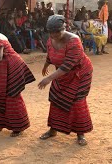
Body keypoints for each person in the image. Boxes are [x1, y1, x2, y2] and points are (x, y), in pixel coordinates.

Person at [38, 15, 93, 146]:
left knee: (76, 101)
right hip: (61, 74)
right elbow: (50, 54)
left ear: (63, 29)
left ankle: (81, 133)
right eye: (51, 33)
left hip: (80, 73)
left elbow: (67, 66)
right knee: (56, 98)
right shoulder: (51, 39)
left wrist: (48, 79)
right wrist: (46, 65)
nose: (53, 36)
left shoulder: (74, 41)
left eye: (56, 33)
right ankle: (53, 130)